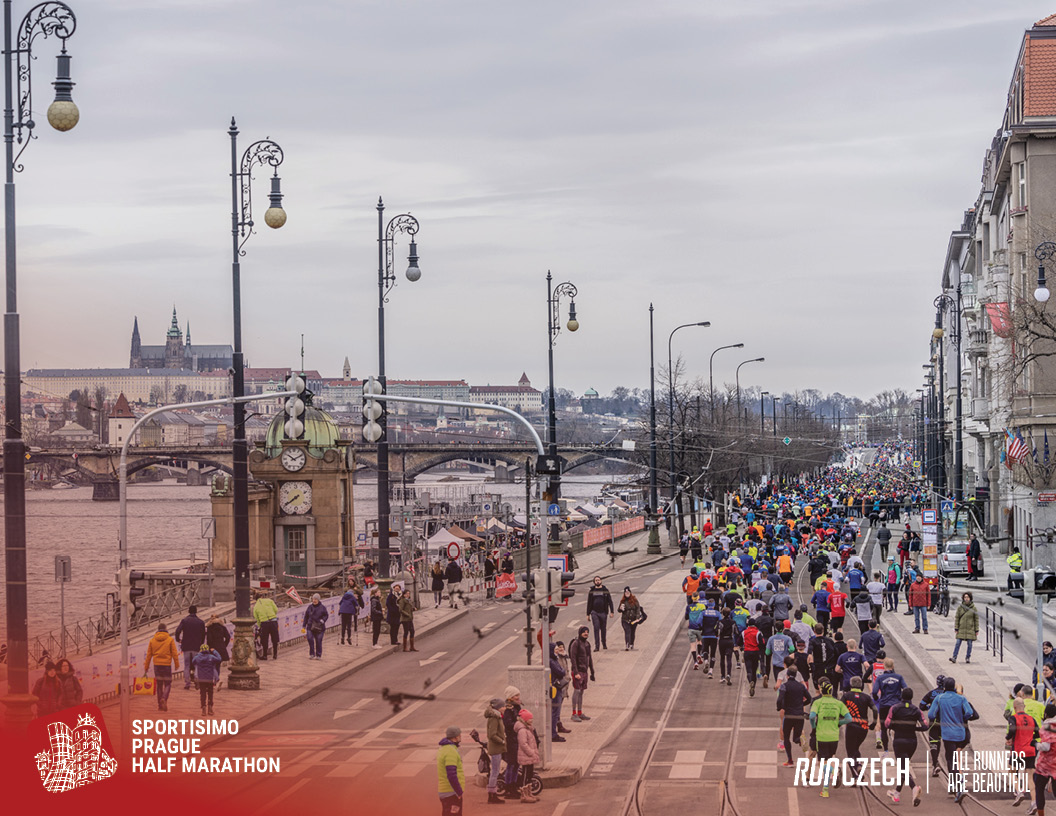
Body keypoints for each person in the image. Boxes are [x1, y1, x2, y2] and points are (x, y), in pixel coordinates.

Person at [928, 675, 979, 802]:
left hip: (947, 734)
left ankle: (959, 787)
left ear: (944, 687)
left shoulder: (939, 698)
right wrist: (961, 719)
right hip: (960, 733)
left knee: (951, 761)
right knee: (956, 759)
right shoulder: (962, 698)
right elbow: (969, 713)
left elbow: (931, 714)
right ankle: (954, 785)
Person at [810, 679, 852, 798]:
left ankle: (834, 773)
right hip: (834, 737)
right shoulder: (838, 703)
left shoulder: (818, 702)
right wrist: (839, 723)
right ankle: (825, 790)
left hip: (821, 735)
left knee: (822, 763)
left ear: (821, 691)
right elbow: (849, 719)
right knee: (828, 760)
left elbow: (812, 716)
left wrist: (814, 727)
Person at [884, 687, 926, 805]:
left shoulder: (895, 708)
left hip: (899, 741)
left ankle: (914, 788)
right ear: (911, 697)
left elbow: (887, 723)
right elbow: (925, 726)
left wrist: (896, 726)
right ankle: (896, 792)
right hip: (912, 741)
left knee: (902, 768)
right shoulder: (916, 710)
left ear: (902, 696)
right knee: (904, 767)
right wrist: (914, 728)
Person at [1006, 697, 1039, 807]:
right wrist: (1030, 737)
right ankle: (1034, 802)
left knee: (1011, 770)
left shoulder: (1013, 718)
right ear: (1024, 707)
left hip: (1018, 750)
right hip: (1030, 751)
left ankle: (1019, 792)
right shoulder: (1031, 719)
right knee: (1030, 777)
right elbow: (1038, 733)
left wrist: (1008, 738)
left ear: (1015, 708)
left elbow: (1012, 729)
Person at [777, 666, 811, 766]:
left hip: (789, 715)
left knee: (786, 738)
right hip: (799, 715)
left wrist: (780, 707)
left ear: (787, 675)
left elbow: (780, 699)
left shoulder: (784, 686)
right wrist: (801, 705)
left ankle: (790, 760)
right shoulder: (801, 687)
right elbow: (809, 699)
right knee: (796, 737)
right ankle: (801, 740)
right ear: (796, 675)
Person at [873, 657, 907, 753]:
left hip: (884, 704)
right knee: (898, 728)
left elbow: (875, 691)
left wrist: (877, 699)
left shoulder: (880, 678)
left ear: (884, 666)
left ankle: (886, 750)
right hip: (896, 705)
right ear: (893, 666)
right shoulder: (899, 677)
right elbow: (906, 689)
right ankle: (898, 749)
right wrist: (901, 699)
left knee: (884, 728)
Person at [842, 676, 878, 765]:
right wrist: (874, 722)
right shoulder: (866, 697)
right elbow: (875, 709)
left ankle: (856, 773)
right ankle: (858, 766)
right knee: (855, 748)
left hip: (851, 727)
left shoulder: (846, 696)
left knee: (850, 752)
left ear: (850, 685)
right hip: (863, 727)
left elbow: (839, 708)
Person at [144, 622, 179, 711]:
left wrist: (146, 667)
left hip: (157, 665)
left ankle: (160, 705)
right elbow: (174, 653)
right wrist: (176, 663)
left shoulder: (152, 640)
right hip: (166, 665)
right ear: (166, 629)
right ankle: (164, 698)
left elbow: (148, 655)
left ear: (158, 630)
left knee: (159, 685)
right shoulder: (170, 640)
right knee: (167, 684)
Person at [1033, 702, 1056, 816]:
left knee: (1039, 789)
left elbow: (1046, 747)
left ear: (1045, 714)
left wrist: (1035, 744)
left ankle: (1041, 814)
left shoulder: (1047, 726)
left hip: (1045, 765)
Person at [175, 605, 206, 689]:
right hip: (196, 646)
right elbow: (203, 634)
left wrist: (178, 639)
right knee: (196, 664)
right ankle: (196, 679)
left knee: (187, 665)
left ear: (189, 611)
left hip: (186, 646)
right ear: (196, 611)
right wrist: (201, 643)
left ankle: (187, 683)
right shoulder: (200, 622)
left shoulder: (184, 621)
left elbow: (177, 631)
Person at [437, 725, 465, 815]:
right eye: (459, 735)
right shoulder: (450, 751)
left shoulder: (444, 749)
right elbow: (451, 775)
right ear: (455, 737)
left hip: (446, 791)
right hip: (451, 793)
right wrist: (459, 792)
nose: (461, 737)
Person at [483, 698, 507, 804]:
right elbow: (491, 734)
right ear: (498, 708)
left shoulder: (497, 717)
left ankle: (493, 794)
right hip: (496, 748)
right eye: (503, 706)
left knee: (495, 771)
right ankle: (492, 795)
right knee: (495, 772)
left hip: (497, 748)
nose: (505, 708)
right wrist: (501, 741)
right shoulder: (494, 718)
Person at [570, 626, 595, 721]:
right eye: (584, 632)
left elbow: (590, 658)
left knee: (581, 692)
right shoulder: (575, 643)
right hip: (578, 671)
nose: (586, 633)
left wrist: (592, 671)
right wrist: (576, 672)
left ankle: (580, 712)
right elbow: (573, 658)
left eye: (587, 632)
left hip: (584, 671)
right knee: (576, 691)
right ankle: (573, 713)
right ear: (580, 633)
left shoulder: (587, 644)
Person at [501, 687, 522, 799]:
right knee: (511, 764)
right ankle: (509, 787)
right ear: (510, 697)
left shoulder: (517, 707)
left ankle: (513, 786)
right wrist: (519, 724)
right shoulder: (509, 710)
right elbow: (508, 724)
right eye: (515, 696)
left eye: (518, 695)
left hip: (517, 739)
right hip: (511, 740)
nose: (518, 697)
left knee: (516, 764)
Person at [192, 643, 222, 716]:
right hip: (210, 679)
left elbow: (193, 661)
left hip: (201, 679)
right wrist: (214, 651)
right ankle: (210, 708)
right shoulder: (211, 657)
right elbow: (219, 659)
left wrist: (198, 654)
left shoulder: (198, 657)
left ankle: (203, 708)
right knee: (210, 693)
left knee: (202, 693)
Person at [550, 642, 571, 740]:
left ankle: (554, 731)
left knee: (556, 712)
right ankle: (553, 734)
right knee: (555, 712)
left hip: (557, 688)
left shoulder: (555, 659)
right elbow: (561, 671)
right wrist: (561, 671)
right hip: (555, 688)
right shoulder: (552, 661)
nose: (557, 651)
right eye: (556, 650)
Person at [586, 577, 614, 651]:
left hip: (603, 612)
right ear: (594, 582)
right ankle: (597, 646)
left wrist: (612, 611)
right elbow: (589, 603)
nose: (597, 581)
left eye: (598, 580)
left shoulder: (605, 590)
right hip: (594, 612)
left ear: (601, 581)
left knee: (603, 629)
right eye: (596, 580)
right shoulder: (592, 591)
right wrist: (588, 614)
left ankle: (604, 643)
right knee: (596, 628)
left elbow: (610, 601)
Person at [951, 591, 978, 664]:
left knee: (969, 644)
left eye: (968, 597)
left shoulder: (974, 608)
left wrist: (976, 630)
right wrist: (956, 628)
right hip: (961, 628)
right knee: (957, 643)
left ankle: (968, 657)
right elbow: (957, 618)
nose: (966, 599)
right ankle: (954, 657)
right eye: (965, 597)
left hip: (970, 629)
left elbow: (976, 619)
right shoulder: (960, 608)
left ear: (970, 598)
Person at [253, 592, 280, 661]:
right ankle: (275, 654)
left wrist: (260, 625)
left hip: (264, 623)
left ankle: (265, 655)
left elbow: (256, 618)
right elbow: (276, 610)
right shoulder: (269, 600)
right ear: (262, 596)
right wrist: (273, 616)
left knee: (264, 639)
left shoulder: (255, 607)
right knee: (274, 638)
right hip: (273, 621)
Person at [718, 608, 741, 686]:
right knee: (729, 658)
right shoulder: (733, 622)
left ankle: (722, 676)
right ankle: (729, 674)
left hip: (722, 641)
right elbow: (736, 632)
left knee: (722, 658)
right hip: (730, 640)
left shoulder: (720, 622)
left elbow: (717, 630)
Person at [302, 593, 329, 659]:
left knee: (318, 640)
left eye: (316, 599)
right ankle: (312, 654)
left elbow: (326, 615)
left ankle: (318, 655)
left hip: (319, 627)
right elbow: (306, 616)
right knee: (310, 638)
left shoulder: (322, 607)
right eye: (313, 599)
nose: (314, 600)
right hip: (310, 626)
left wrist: (323, 620)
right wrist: (304, 625)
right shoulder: (309, 607)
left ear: (318, 600)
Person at [398, 586, 418, 652]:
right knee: (406, 632)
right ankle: (405, 647)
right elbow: (400, 610)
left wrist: (413, 609)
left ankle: (412, 647)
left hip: (410, 618)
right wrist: (407, 614)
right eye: (407, 594)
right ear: (404, 594)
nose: (408, 595)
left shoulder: (409, 600)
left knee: (412, 631)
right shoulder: (402, 600)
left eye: (409, 593)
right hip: (405, 619)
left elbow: (409, 608)